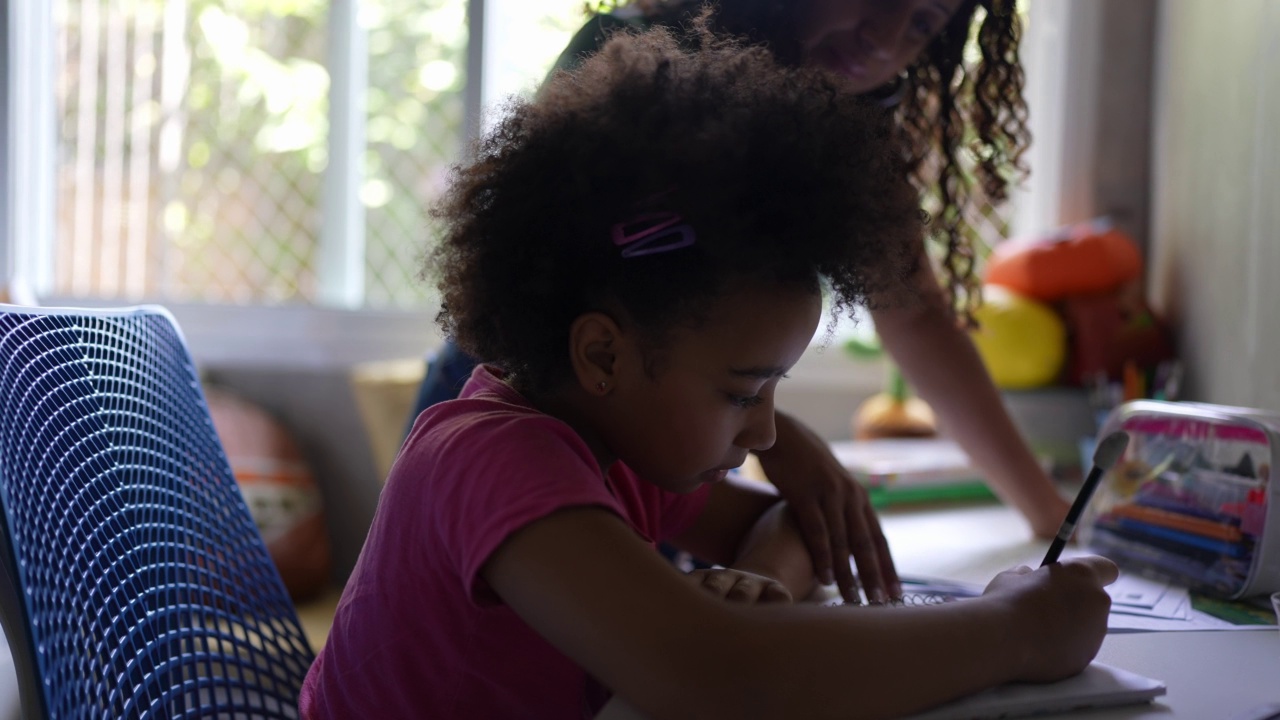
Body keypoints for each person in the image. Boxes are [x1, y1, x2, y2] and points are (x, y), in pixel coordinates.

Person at [303, 27, 1116, 719]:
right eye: (741, 391)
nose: (765, 431)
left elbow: (796, 527)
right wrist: (1018, 629)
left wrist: (751, 588)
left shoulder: (613, 444)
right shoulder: (490, 458)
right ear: (602, 355)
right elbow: (714, 676)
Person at [408, 0, 1072, 606]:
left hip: (648, 423)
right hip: (513, 385)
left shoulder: (856, 122)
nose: (886, 36)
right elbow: (543, 276)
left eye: (924, 23)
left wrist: (1055, 524)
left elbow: (917, 315)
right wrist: (768, 434)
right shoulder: (640, 58)